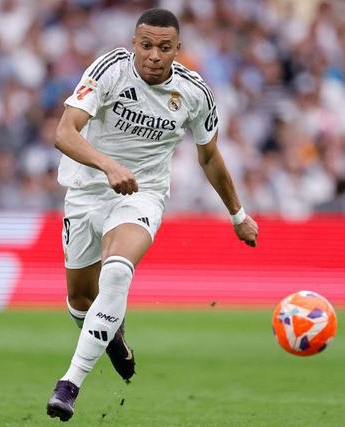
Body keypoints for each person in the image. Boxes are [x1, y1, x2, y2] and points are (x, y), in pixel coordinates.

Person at [46, 8, 259, 422]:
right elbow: (64, 132)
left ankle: (69, 385)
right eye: (146, 46)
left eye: (164, 48)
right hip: (86, 193)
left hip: (142, 196)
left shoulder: (194, 93)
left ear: (178, 49)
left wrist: (238, 215)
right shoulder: (110, 70)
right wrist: (108, 166)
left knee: (117, 272)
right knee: (80, 301)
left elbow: (209, 156)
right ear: (134, 44)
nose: (154, 56)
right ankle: (113, 339)